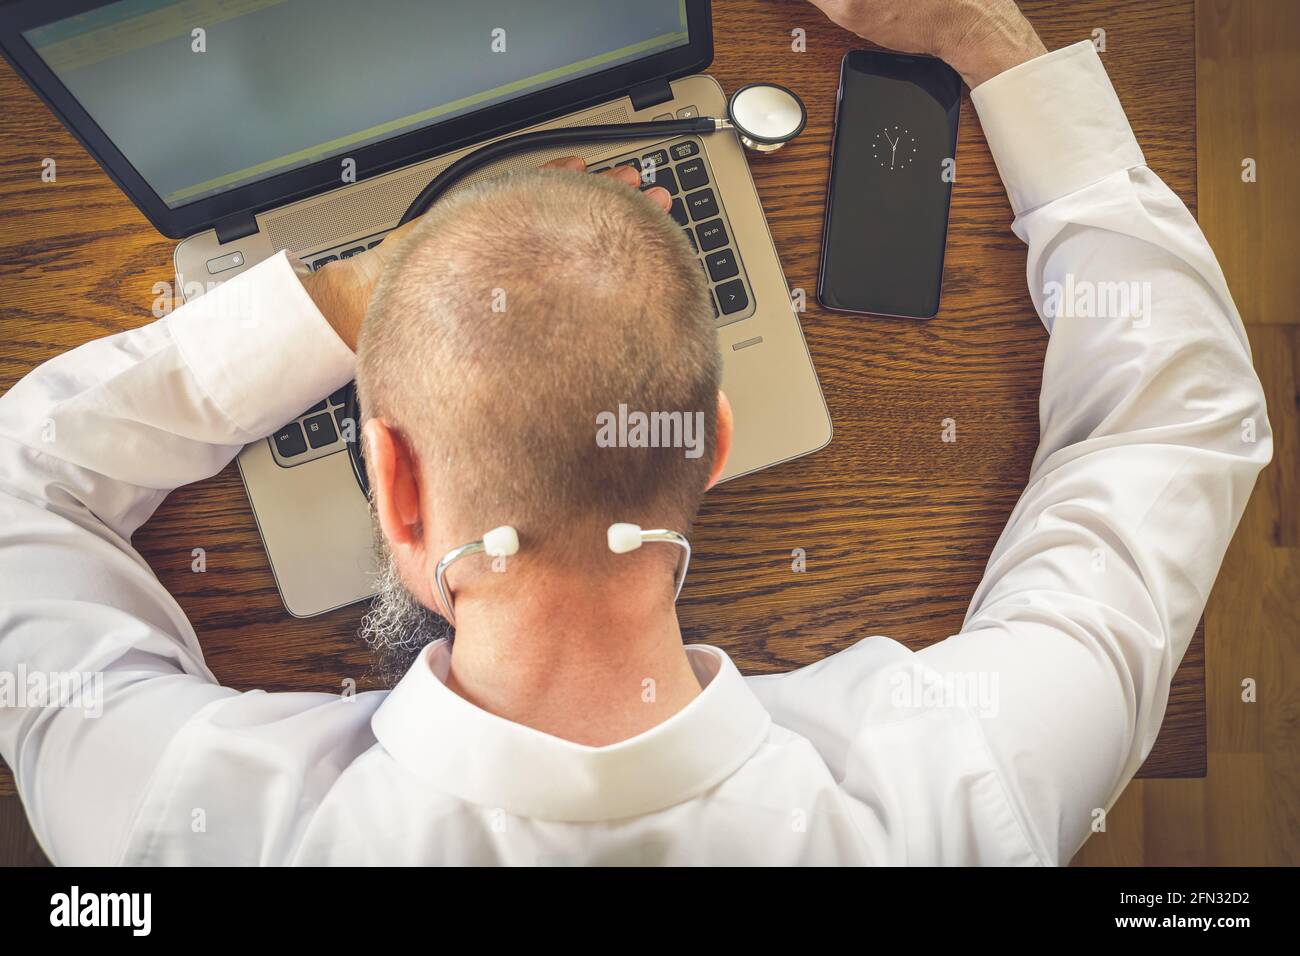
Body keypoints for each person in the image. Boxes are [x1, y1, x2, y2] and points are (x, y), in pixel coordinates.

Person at [0, 0, 1270, 865]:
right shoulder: (971, 793)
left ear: (392, 480)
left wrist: (336, 296)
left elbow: (22, 487)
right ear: (712, 441)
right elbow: (1175, 422)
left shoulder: (182, 827)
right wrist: (984, 38)